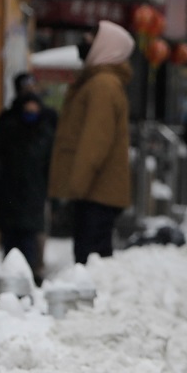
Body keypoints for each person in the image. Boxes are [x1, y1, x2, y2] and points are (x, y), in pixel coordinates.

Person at [48, 20, 134, 265]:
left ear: (106, 47)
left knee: (90, 263)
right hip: (95, 192)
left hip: (95, 193)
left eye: (91, 38)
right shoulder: (99, 82)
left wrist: (75, 187)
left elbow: (94, 143)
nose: (84, 41)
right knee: (92, 260)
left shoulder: (102, 85)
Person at [0, 75, 56, 285]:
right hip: (10, 192)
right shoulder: (8, 121)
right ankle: (14, 280)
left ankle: (29, 279)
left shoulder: (47, 121)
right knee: (12, 240)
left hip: (33, 192)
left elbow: (51, 162)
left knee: (30, 239)